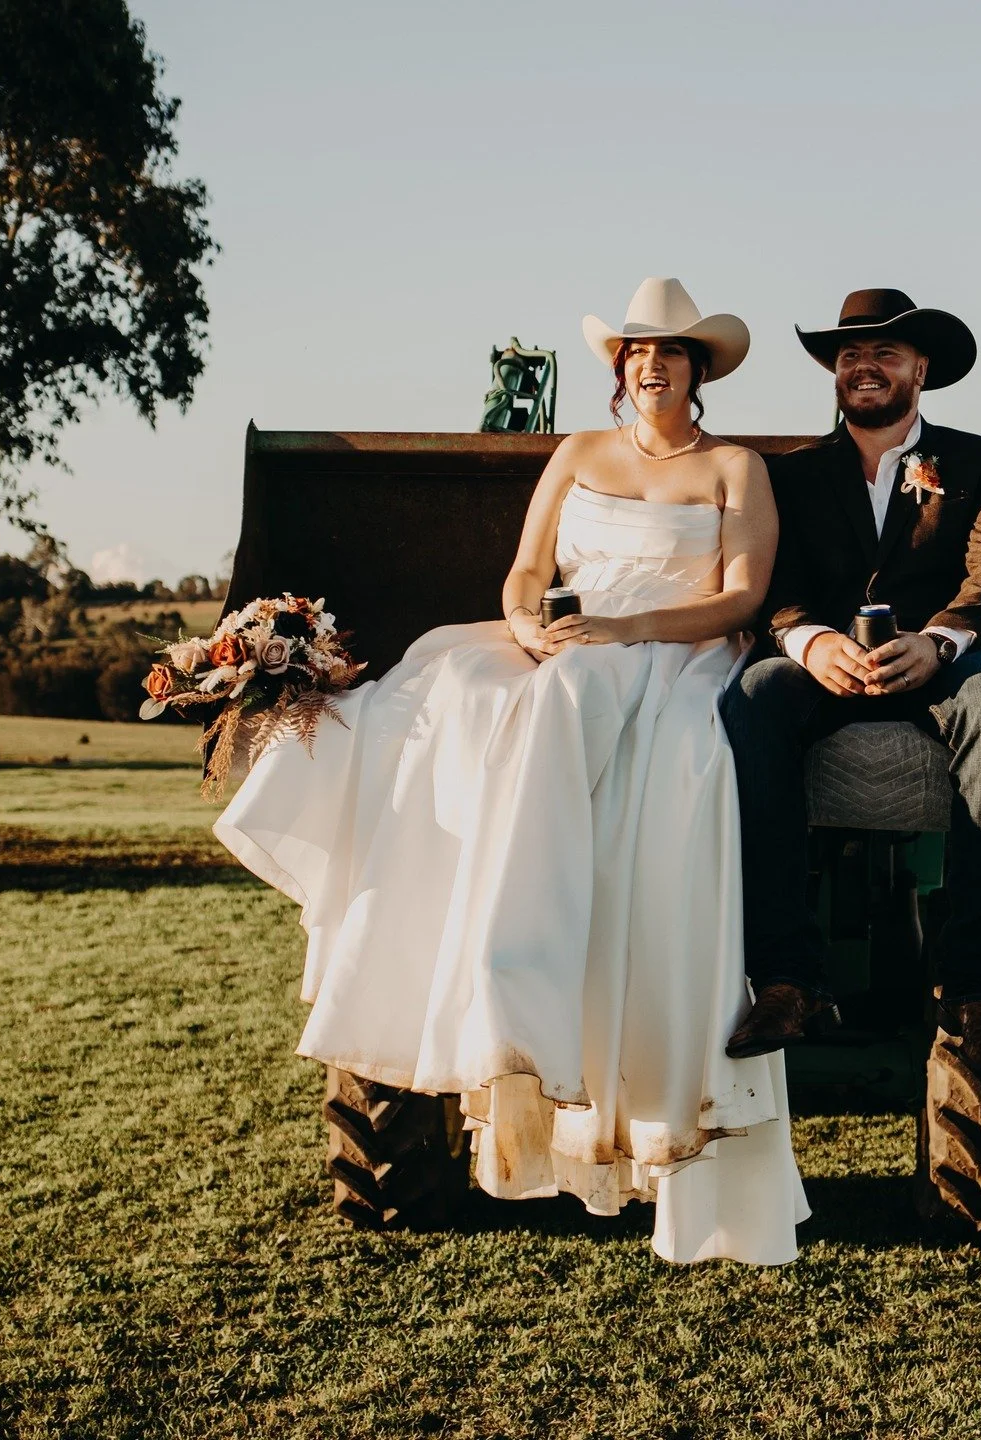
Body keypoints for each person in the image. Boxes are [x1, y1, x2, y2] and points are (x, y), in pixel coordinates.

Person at [214, 277, 808, 1265]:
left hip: (672, 646)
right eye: (633, 351)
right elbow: (526, 570)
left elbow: (741, 598)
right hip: (567, 636)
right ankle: (467, 975)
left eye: (668, 350)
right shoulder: (578, 453)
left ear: (699, 367)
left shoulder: (735, 468)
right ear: (619, 368)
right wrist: (533, 623)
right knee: (436, 695)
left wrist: (624, 630)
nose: (649, 363)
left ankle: (556, 987)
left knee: (664, 751)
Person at [720, 288, 981, 1075]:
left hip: (941, 663)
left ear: (919, 371)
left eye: (884, 353)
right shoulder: (791, 475)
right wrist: (809, 641)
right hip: (829, 668)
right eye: (850, 354)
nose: (863, 365)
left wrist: (939, 643)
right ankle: (789, 977)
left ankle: (977, 990)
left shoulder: (975, 461)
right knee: (753, 697)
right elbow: (773, 584)